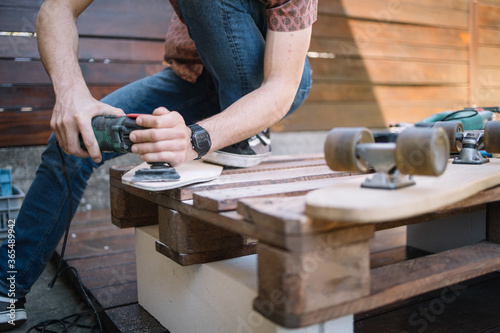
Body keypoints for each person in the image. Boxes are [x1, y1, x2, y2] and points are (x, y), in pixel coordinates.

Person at [0, 0, 316, 330]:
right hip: (192, 74)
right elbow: (56, 8)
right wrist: (70, 94)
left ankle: (246, 129)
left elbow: (281, 85)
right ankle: (7, 286)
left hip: (270, 79)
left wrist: (195, 140)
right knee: (75, 141)